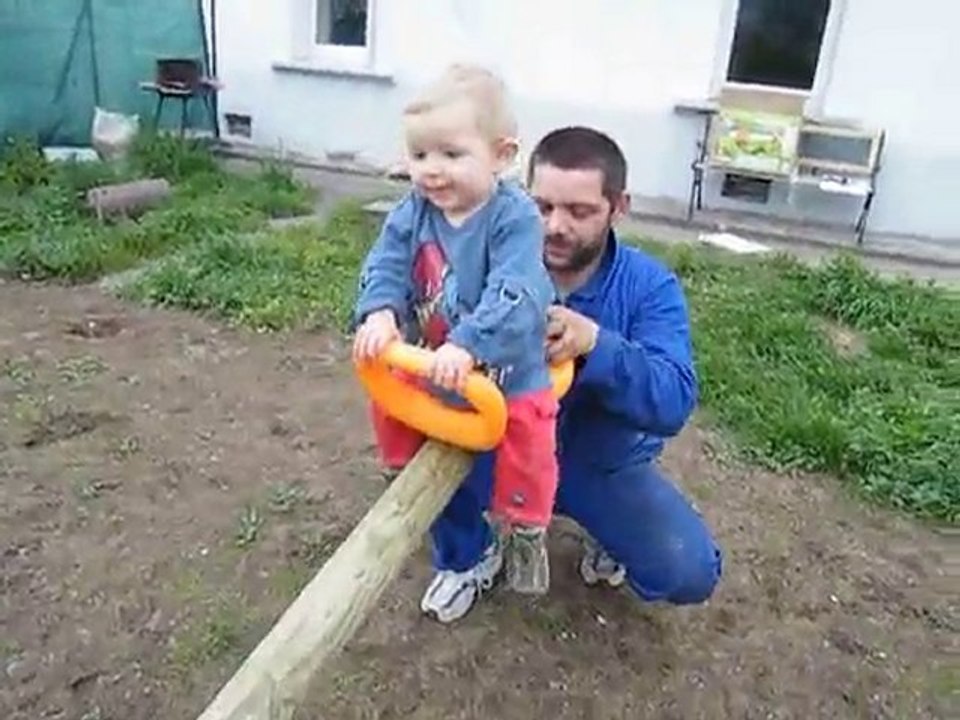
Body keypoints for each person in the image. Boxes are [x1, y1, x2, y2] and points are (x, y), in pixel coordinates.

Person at [419, 126, 724, 623]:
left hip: (599, 464)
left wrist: (597, 345)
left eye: (580, 212)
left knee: (689, 570)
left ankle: (610, 535)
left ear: (618, 206)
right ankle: (472, 554)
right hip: (501, 445)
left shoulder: (650, 286)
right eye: (542, 207)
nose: (555, 227)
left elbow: (674, 400)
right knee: (422, 446)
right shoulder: (489, 266)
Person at [352, 64, 560, 595]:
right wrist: (380, 310)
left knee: (528, 442)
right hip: (435, 364)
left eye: (451, 154)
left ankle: (523, 528)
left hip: (504, 369)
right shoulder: (413, 210)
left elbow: (517, 291)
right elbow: (387, 262)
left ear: (502, 155)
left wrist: (469, 344)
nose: (431, 171)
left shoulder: (515, 219)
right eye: (420, 156)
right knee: (393, 399)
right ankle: (446, 535)